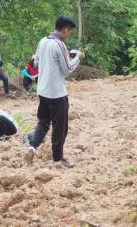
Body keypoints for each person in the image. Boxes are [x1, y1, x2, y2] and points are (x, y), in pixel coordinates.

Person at [25, 15, 84, 168]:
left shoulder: (43, 41)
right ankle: (58, 158)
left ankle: (32, 148)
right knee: (60, 127)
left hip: (42, 90)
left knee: (43, 122)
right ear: (65, 30)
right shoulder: (59, 45)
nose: (68, 34)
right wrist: (77, 57)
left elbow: (36, 62)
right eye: (69, 31)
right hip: (57, 93)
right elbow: (68, 69)